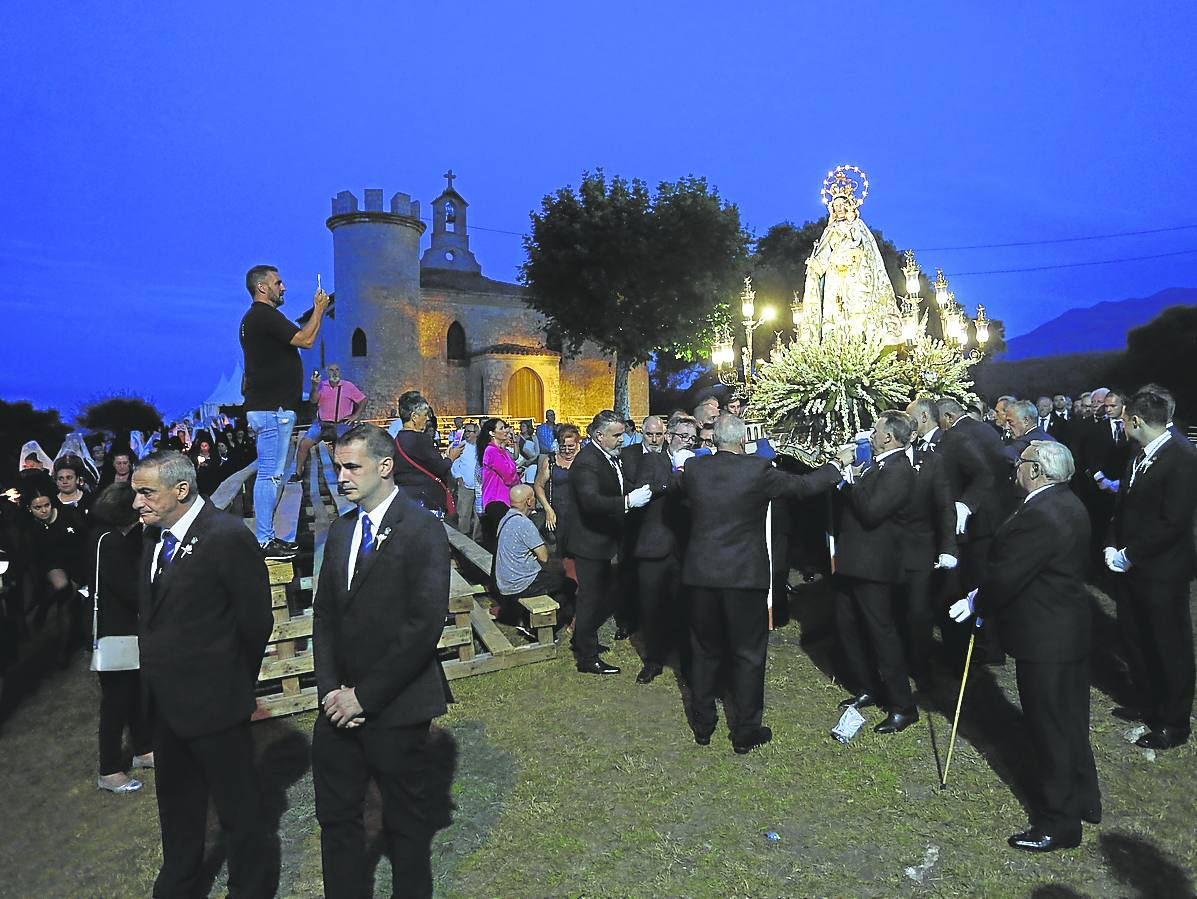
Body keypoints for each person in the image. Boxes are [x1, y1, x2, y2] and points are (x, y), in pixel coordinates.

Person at [312, 424, 453, 899]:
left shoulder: (422, 529)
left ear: (385, 466)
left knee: (406, 830)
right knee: (336, 821)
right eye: (337, 467)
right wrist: (331, 689)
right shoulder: (341, 530)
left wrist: (364, 696)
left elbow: (423, 626)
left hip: (397, 707)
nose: (342, 477)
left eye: (352, 466)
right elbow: (325, 615)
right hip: (336, 707)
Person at [133, 450, 275, 897]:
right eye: (136, 493)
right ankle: (178, 884)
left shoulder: (227, 536)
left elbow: (256, 621)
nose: (136, 503)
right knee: (176, 806)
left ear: (181, 490)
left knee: (239, 810)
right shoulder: (153, 538)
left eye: (145, 493)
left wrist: (231, 683)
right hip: (166, 707)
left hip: (216, 705)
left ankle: (250, 889)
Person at [950, 440, 1100, 852]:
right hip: (1065, 629)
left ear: (1037, 470)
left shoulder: (1043, 513)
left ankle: (1059, 821)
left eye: (1021, 463)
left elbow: (1009, 574)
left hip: (1046, 637)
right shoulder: (1065, 501)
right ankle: (1085, 798)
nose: (1015, 468)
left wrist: (976, 601)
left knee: (1049, 728)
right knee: (1069, 720)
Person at [680, 414, 846, 752]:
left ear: (713, 440)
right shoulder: (757, 471)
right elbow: (804, 487)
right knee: (747, 655)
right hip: (744, 577)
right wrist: (836, 465)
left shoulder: (696, 470)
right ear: (743, 440)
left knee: (704, 650)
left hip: (701, 576)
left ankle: (703, 725)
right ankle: (745, 732)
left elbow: (676, 488)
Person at [1104, 389, 1197, 750]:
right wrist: (1111, 542)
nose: (1123, 425)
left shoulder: (1182, 457)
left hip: (1162, 571)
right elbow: (1123, 504)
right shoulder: (1139, 453)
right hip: (1132, 567)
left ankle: (1173, 723)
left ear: (1136, 421)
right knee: (1137, 638)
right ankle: (1149, 703)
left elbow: (1173, 522)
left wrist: (1130, 555)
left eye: (1124, 419)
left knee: (1168, 645)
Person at [833, 411, 920, 734]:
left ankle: (902, 705)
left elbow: (871, 511)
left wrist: (847, 471)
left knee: (882, 634)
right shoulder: (881, 465)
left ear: (888, 437)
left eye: (877, 430)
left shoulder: (899, 470)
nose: (871, 435)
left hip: (876, 567)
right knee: (849, 627)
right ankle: (868, 685)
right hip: (856, 561)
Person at [239, 263, 330, 559]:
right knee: (270, 475)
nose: (283, 287)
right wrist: (318, 309)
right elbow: (304, 340)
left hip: (266, 407)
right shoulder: (264, 316)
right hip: (271, 410)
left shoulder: (252, 321)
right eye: (278, 283)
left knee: (271, 473)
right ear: (262, 287)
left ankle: (267, 536)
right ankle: (265, 540)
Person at [568, 411, 653, 675]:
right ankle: (586, 657)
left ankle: (584, 640)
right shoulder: (586, 462)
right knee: (590, 599)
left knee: (599, 596)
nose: (622, 439)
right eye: (616, 435)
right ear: (599, 435)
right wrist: (628, 502)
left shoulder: (607, 456)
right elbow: (591, 501)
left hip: (603, 539)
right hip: (589, 541)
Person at [89, 483, 154, 794]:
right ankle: (110, 769)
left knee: (136, 694)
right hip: (114, 632)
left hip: (123, 629)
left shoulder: (107, 537)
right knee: (117, 702)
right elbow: (129, 589)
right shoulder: (110, 543)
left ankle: (143, 749)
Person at [900, 399, 957, 688]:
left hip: (921, 550)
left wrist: (948, 548)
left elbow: (945, 506)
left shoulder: (932, 460)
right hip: (889, 551)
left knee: (918, 612)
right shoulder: (883, 460)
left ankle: (920, 668)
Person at [619, 415, 681, 684]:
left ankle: (672, 650)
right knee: (650, 604)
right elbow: (634, 492)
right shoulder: (634, 456)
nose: (654, 440)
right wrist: (669, 485)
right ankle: (654, 658)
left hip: (675, 542)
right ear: (642, 433)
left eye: (659, 435)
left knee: (673, 603)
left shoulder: (673, 457)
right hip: (645, 540)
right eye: (649, 435)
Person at [494, 484, 577, 635]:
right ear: (529, 501)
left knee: (553, 581)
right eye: (533, 496)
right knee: (569, 585)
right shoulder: (524, 524)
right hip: (521, 583)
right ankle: (543, 627)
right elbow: (544, 557)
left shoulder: (505, 518)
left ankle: (528, 618)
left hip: (504, 581)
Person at [392, 391, 463, 518]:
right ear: (414, 416)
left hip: (406, 499)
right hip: (426, 500)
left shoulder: (397, 439)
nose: (428, 419)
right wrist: (451, 457)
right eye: (425, 415)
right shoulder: (421, 439)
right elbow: (440, 468)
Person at [291, 363, 367, 483]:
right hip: (321, 424)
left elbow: (362, 399)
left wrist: (355, 415)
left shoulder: (348, 386)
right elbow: (313, 400)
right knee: (303, 445)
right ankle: (298, 473)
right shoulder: (321, 385)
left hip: (341, 424)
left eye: (337, 370)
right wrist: (315, 387)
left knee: (341, 453)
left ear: (340, 372)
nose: (335, 373)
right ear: (327, 372)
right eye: (332, 370)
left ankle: (342, 480)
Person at [533, 423, 582, 580]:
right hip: (558, 514)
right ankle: (565, 584)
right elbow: (538, 485)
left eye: (570, 446)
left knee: (580, 552)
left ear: (578, 443)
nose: (567, 450)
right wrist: (548, 509)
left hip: (580, 514)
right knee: (562, 553)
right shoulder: (551, 461)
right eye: (563, 446)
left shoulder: (585, 460)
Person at [476, 418, 524, 548]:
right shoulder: (491, 451)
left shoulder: (502, 451)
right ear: (492, 433)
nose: (505, 430)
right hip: (496, 500)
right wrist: (516, 474)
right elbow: (509, 476)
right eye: (501, 428)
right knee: (501, 541)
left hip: (506, 499)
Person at [450, 422, 480, 538]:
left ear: (476, 433)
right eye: (465, 431)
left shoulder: (482, 447)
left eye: (469, 431)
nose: (466, 433)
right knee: (464, 514)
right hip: (465, 486)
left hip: (479, 486)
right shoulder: (461, 446)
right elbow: (454, 463)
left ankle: (477, 538)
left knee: (479, 514)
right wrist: (458, 477)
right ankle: (463, 537)